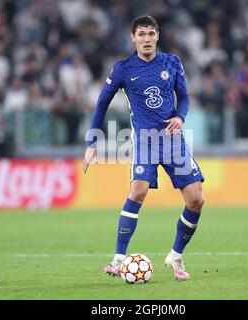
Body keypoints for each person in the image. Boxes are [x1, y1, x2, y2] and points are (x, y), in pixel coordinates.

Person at [82, 16, 205, 281]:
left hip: (173, 142)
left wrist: (180, 117)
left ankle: (175, 255)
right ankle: (118, 259)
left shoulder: (172, 63)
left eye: (151, 33)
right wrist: (91, 142)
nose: (146, 39)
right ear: (133, 38)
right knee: (138, 191)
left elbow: (183, 96)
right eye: (141, 34)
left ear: (157, 36)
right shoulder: (123, 69)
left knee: (196, 199)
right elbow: (101, 104)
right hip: (145, 142)